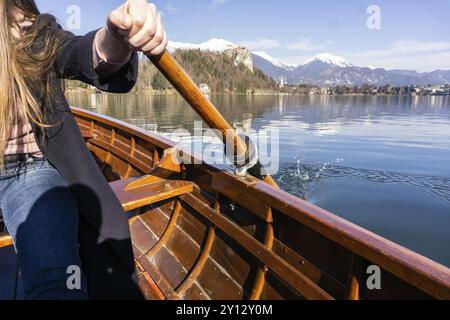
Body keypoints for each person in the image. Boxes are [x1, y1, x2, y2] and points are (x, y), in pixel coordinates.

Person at [0, 0, 167, 300]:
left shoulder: (25, 26)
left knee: (57, 280)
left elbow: (75, 52)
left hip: (25, 168)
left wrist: (115, 40)